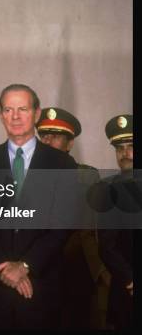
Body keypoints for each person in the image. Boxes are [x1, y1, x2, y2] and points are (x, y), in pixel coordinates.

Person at [0, 84, 77, 329]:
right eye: (8, 109)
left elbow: (62, 226)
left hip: (41, 287)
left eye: (22, 109)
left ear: (36, 114)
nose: (15, 116)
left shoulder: (62, 163)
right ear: (1, 115)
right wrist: (6, 271)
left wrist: (25, 266)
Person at [36, 107, 108, 329]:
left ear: (70, 144)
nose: (47, 142)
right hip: (35, 276)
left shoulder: (86, 176)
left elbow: (92, 234)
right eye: (43, 136)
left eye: (55, 137)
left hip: (75, 275)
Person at [97, 114, 134, 330]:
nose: (125, 153)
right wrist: (130, 280)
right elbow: (107, 246)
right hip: (128, 290)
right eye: (119, 148)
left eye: (131, 146)